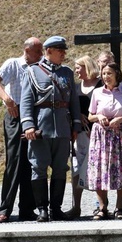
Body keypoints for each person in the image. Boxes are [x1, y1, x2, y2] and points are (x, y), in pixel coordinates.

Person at [20, 36, 82, 222]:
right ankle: (42, 209)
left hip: (62, 128)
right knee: (38, 167)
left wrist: (76, 125)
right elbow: (26, 101)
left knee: (60, 169)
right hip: (40, 127)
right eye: (60, 50)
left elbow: (73, 102)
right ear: (48, 51)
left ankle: (56, 208)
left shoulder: (67, 73)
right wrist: (28, 125)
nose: (63, 54)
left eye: (63, 50)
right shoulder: (32, 72)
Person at [0, 37, 43, 223]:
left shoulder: (41, 66)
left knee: (32, 161)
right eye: (37, 51)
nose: (41, 54)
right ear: (27, 50)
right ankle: (5, 208)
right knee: (15, 161)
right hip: (16, 114)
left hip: (35, 116)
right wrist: (7, 99)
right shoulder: (13, 64)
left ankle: (27, 208)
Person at [87, 62, 122, 219]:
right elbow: (90, 116)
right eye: (103, 74)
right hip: (101, 137)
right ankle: (102, 207)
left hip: (119, 136)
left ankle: (119, 208)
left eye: (109, 73)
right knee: (99, 171)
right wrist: (99, 116)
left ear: (117, 74)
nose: (106, 77)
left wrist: (121, 119)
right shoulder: (97, 93)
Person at [65, 55, 102, 219]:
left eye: (78, 67)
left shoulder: (101, 85)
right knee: (76, 169)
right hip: (79, 134)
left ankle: (101, 206)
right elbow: (69, 105)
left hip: (98, 134)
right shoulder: (75, 87)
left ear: (86, 66)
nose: (76, 70)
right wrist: (78, 114)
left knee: (98, 170)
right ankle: (76, 206)